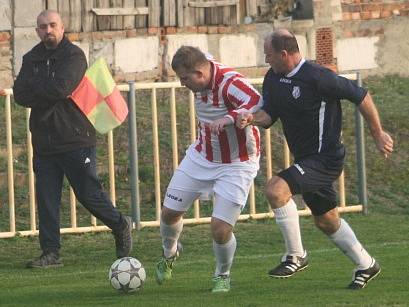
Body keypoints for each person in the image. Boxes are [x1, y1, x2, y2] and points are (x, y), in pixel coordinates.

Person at [237, 29, 393, 290]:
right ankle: (366, 264)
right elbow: (269, 114)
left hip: (326, 159)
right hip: (306, 160)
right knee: (326, 220)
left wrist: (377, 133)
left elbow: (361, 96)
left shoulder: (319, 77)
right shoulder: (273, 78)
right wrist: (252, 118)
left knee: (276, 190)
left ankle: (296, 255)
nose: (266, 60)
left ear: (284, 54)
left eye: (269, 55)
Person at [12, 10, 133, 268]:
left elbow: (61, 88)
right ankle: (51, 253)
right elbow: (20, 95)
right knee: (46, 199)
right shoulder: (31, 57)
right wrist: (48, 88)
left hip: (75, 138)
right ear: (37, 31)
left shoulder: (74, 55)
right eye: (43, 27)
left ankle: (120, 224)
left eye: (52, 25)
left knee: (89, 195)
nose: (48, 30)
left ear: (62, 27)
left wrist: (41, 87)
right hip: (44, 142)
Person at [155, 46, 263, 293]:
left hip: (237, 163)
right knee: (169, 213)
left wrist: (229, 117)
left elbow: (256, 100)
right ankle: (169, 253)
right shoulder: (201, 65)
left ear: (200, 73)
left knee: (220, 228)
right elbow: (199, 55)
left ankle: (222, 275)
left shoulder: (229, 82)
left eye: (185, 79)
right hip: (202, 155)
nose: (183, 84)